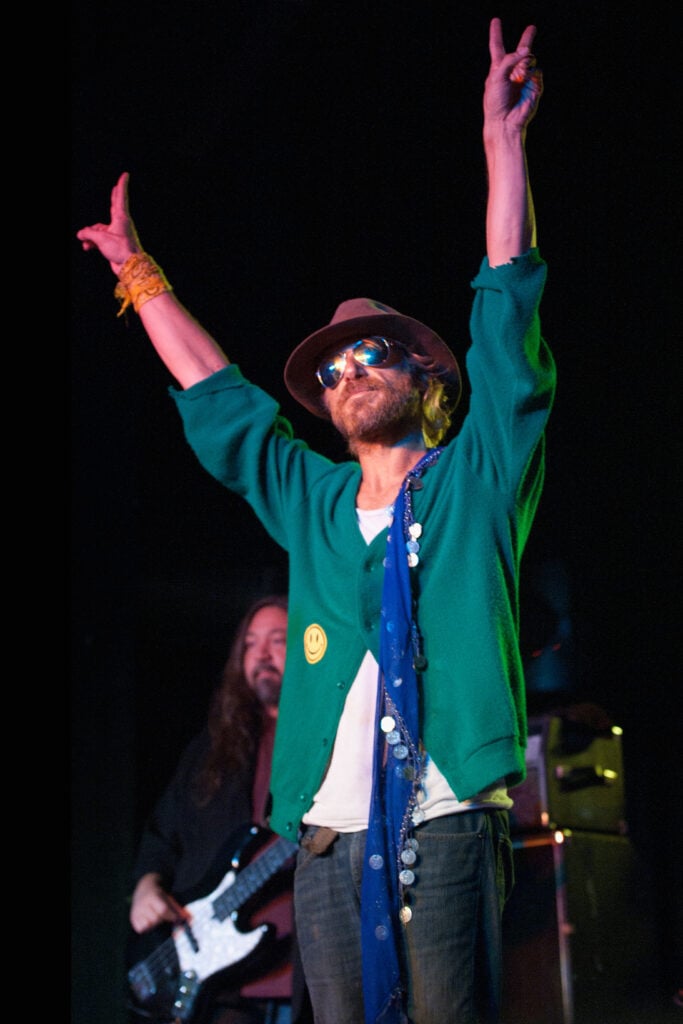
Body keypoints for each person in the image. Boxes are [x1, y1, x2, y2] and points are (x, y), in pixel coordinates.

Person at [78, 17, 554, 1024]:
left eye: (369, 349)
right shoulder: (313, 502)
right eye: (330, 368)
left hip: (445, 818)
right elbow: (221, 398)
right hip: (326, 844)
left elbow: (505, 315)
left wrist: (498, 148)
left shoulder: (475, 476)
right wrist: (138, 275)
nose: (346, 369)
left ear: (427, 377)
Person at [126, 594, 312, 1024]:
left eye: (278, 640)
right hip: (218, 991)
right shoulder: (211, 750)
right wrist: (146, 887)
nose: (261, 654)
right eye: (249, 643)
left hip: (302, 979)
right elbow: (162, 836)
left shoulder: (328, 746)